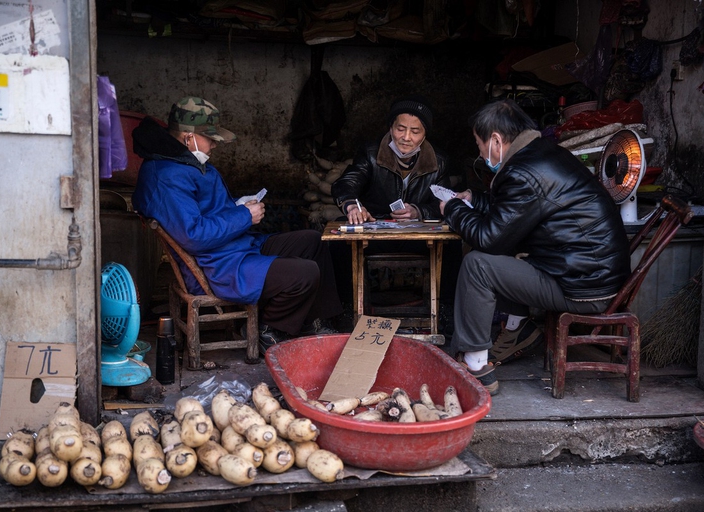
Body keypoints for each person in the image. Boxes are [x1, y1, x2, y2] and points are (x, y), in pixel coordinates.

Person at [440, 99, 631, 396]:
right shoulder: (543, 155)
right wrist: (473, 200)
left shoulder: (523, 172)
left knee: (478, 264)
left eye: (479, 145)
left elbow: (490, 238)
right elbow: (515, 213)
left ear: (496, 140)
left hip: (584, 289)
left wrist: (452, 208)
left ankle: (476, 365)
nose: (479, 153)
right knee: (500, 251)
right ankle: (519, 330)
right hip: (593, 276)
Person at [132, 96, 343, 353]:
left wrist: (236, 205)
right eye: (210, 139)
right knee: (304, 273)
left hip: (235, 247)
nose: (214, 146)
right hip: (215, 266)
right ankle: (268, 328)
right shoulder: (166, 177)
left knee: (312, 240)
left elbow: (204, 210)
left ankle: (317, 322)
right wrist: (244, 216)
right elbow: (194, 235)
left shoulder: (184, 161)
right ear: (188, 138)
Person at [330, 95, 462, 306]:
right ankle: (348, 309)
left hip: (417, 237)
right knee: (341, 240)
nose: (406, 137)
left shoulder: (439, 161)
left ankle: (444, 310)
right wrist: (352, 204)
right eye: (400, 129)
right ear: (391, 128)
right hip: (376, 233)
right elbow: (346, 183)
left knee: (451, 243)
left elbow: (445, 203)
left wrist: (419, 211)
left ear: (425, 134)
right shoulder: (371, 154)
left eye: (415, 131)